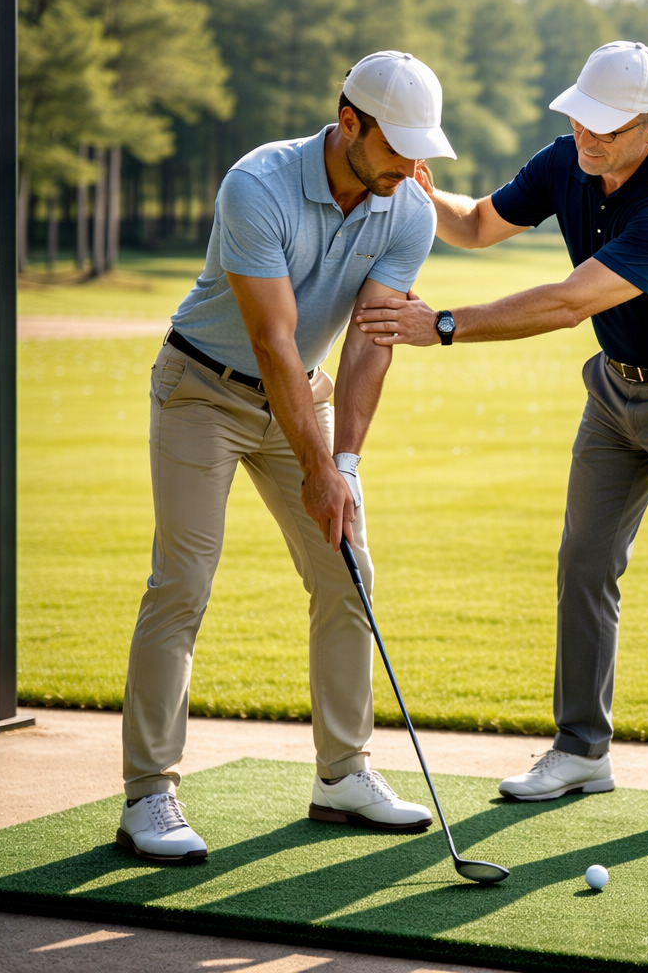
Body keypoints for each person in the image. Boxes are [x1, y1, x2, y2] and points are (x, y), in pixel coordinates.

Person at [355, 41, 648, 833]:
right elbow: (477, 225)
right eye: (580, 118)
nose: (586, 137)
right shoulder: (566, 160)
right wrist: (420, 187)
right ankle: (580, 751)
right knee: (584, 561)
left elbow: (571, 302)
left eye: (605, 127)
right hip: (616, 390)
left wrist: (443, 324)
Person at [117, 51, 457, 864]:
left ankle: (343, 775)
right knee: (183, 582)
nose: (412, 168)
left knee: (348, 570)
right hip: (203, 390)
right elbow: (271, 339)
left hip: (303, 393)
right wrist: (316, 469)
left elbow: (372, 341)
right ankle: (148, 794)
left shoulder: (408, 207)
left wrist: (346, 466)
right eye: (398, 148)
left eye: (421, 151)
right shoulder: (256, 185)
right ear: (349, 124)